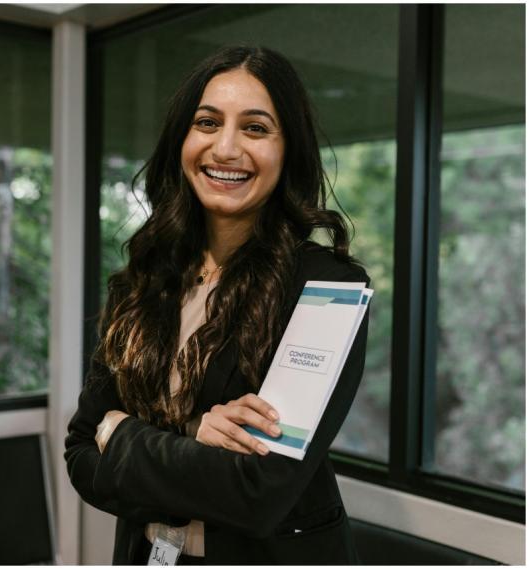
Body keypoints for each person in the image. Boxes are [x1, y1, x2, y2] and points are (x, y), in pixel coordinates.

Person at [65, 45, 370, 565]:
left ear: (287, 148)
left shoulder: (325, 288)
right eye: (207, 123)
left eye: (255, 128)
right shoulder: (144, 277)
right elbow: (78, 453)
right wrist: (191, 434)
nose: (225, 148)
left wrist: (121, 432)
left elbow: (258, 493)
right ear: (182, 139)